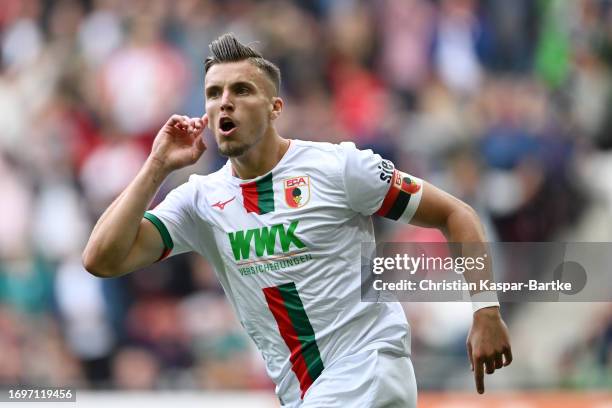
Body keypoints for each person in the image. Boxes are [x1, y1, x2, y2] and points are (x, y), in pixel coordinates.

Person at [83, 33, 512, 407]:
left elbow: (458, 214)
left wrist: (486, 312)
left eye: (241, 90)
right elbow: (102, 259)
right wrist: (157, 164)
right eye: (213, 93)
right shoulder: (199, 200)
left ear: (274, 107)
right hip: (304, 392)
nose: (224, 101)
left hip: (368, 368)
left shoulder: (340, 168)